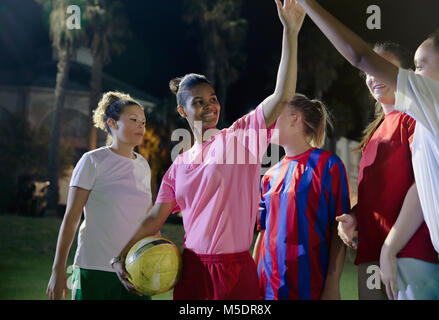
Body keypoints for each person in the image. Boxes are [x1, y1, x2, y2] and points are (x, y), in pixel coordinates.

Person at [112, 0, 306, 300]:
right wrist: (121, 254)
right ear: (182, 110)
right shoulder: (178, 167)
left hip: (235, 271)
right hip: (192, 272)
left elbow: (282, 96)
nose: (209, 106)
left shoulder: (240, 138)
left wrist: (290, 32)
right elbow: (154, 219)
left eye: (212, 99)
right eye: (198, 102)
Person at [296, 0, 439, 299]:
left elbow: (360, 56)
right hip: (385, 250)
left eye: (419, 67)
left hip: (414, 252)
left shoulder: (429, 110)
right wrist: (356, 216)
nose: (414, 76)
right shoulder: (397, 125)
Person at [340, 42, 439, 300]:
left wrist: (390, 248)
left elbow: (424, 185)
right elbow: (378, 195)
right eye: (369, 71)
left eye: (382, 68)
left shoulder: (415, 118)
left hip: (409, 252)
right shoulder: (374, 134)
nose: (374, 77)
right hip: (372, 254)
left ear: (405, 73)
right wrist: (354, 217)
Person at [46, 91, 152, 300]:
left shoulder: (143, 165)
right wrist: (58, 271)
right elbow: (71, 219)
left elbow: (147, 220)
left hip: (135, 270)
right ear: (112, 123)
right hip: (95, 269)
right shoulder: (92, 161)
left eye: (143, 121)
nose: (141, 126)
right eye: (133, 120)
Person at [253, 93, 349, 300]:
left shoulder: (328, 166)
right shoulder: (269, 176)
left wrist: (332, 285)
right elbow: (263, 233)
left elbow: (338, 231)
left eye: (275, 114)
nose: (268, 121)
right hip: (267, 289)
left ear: (295, 119)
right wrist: (251, 282)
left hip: (310, 287)